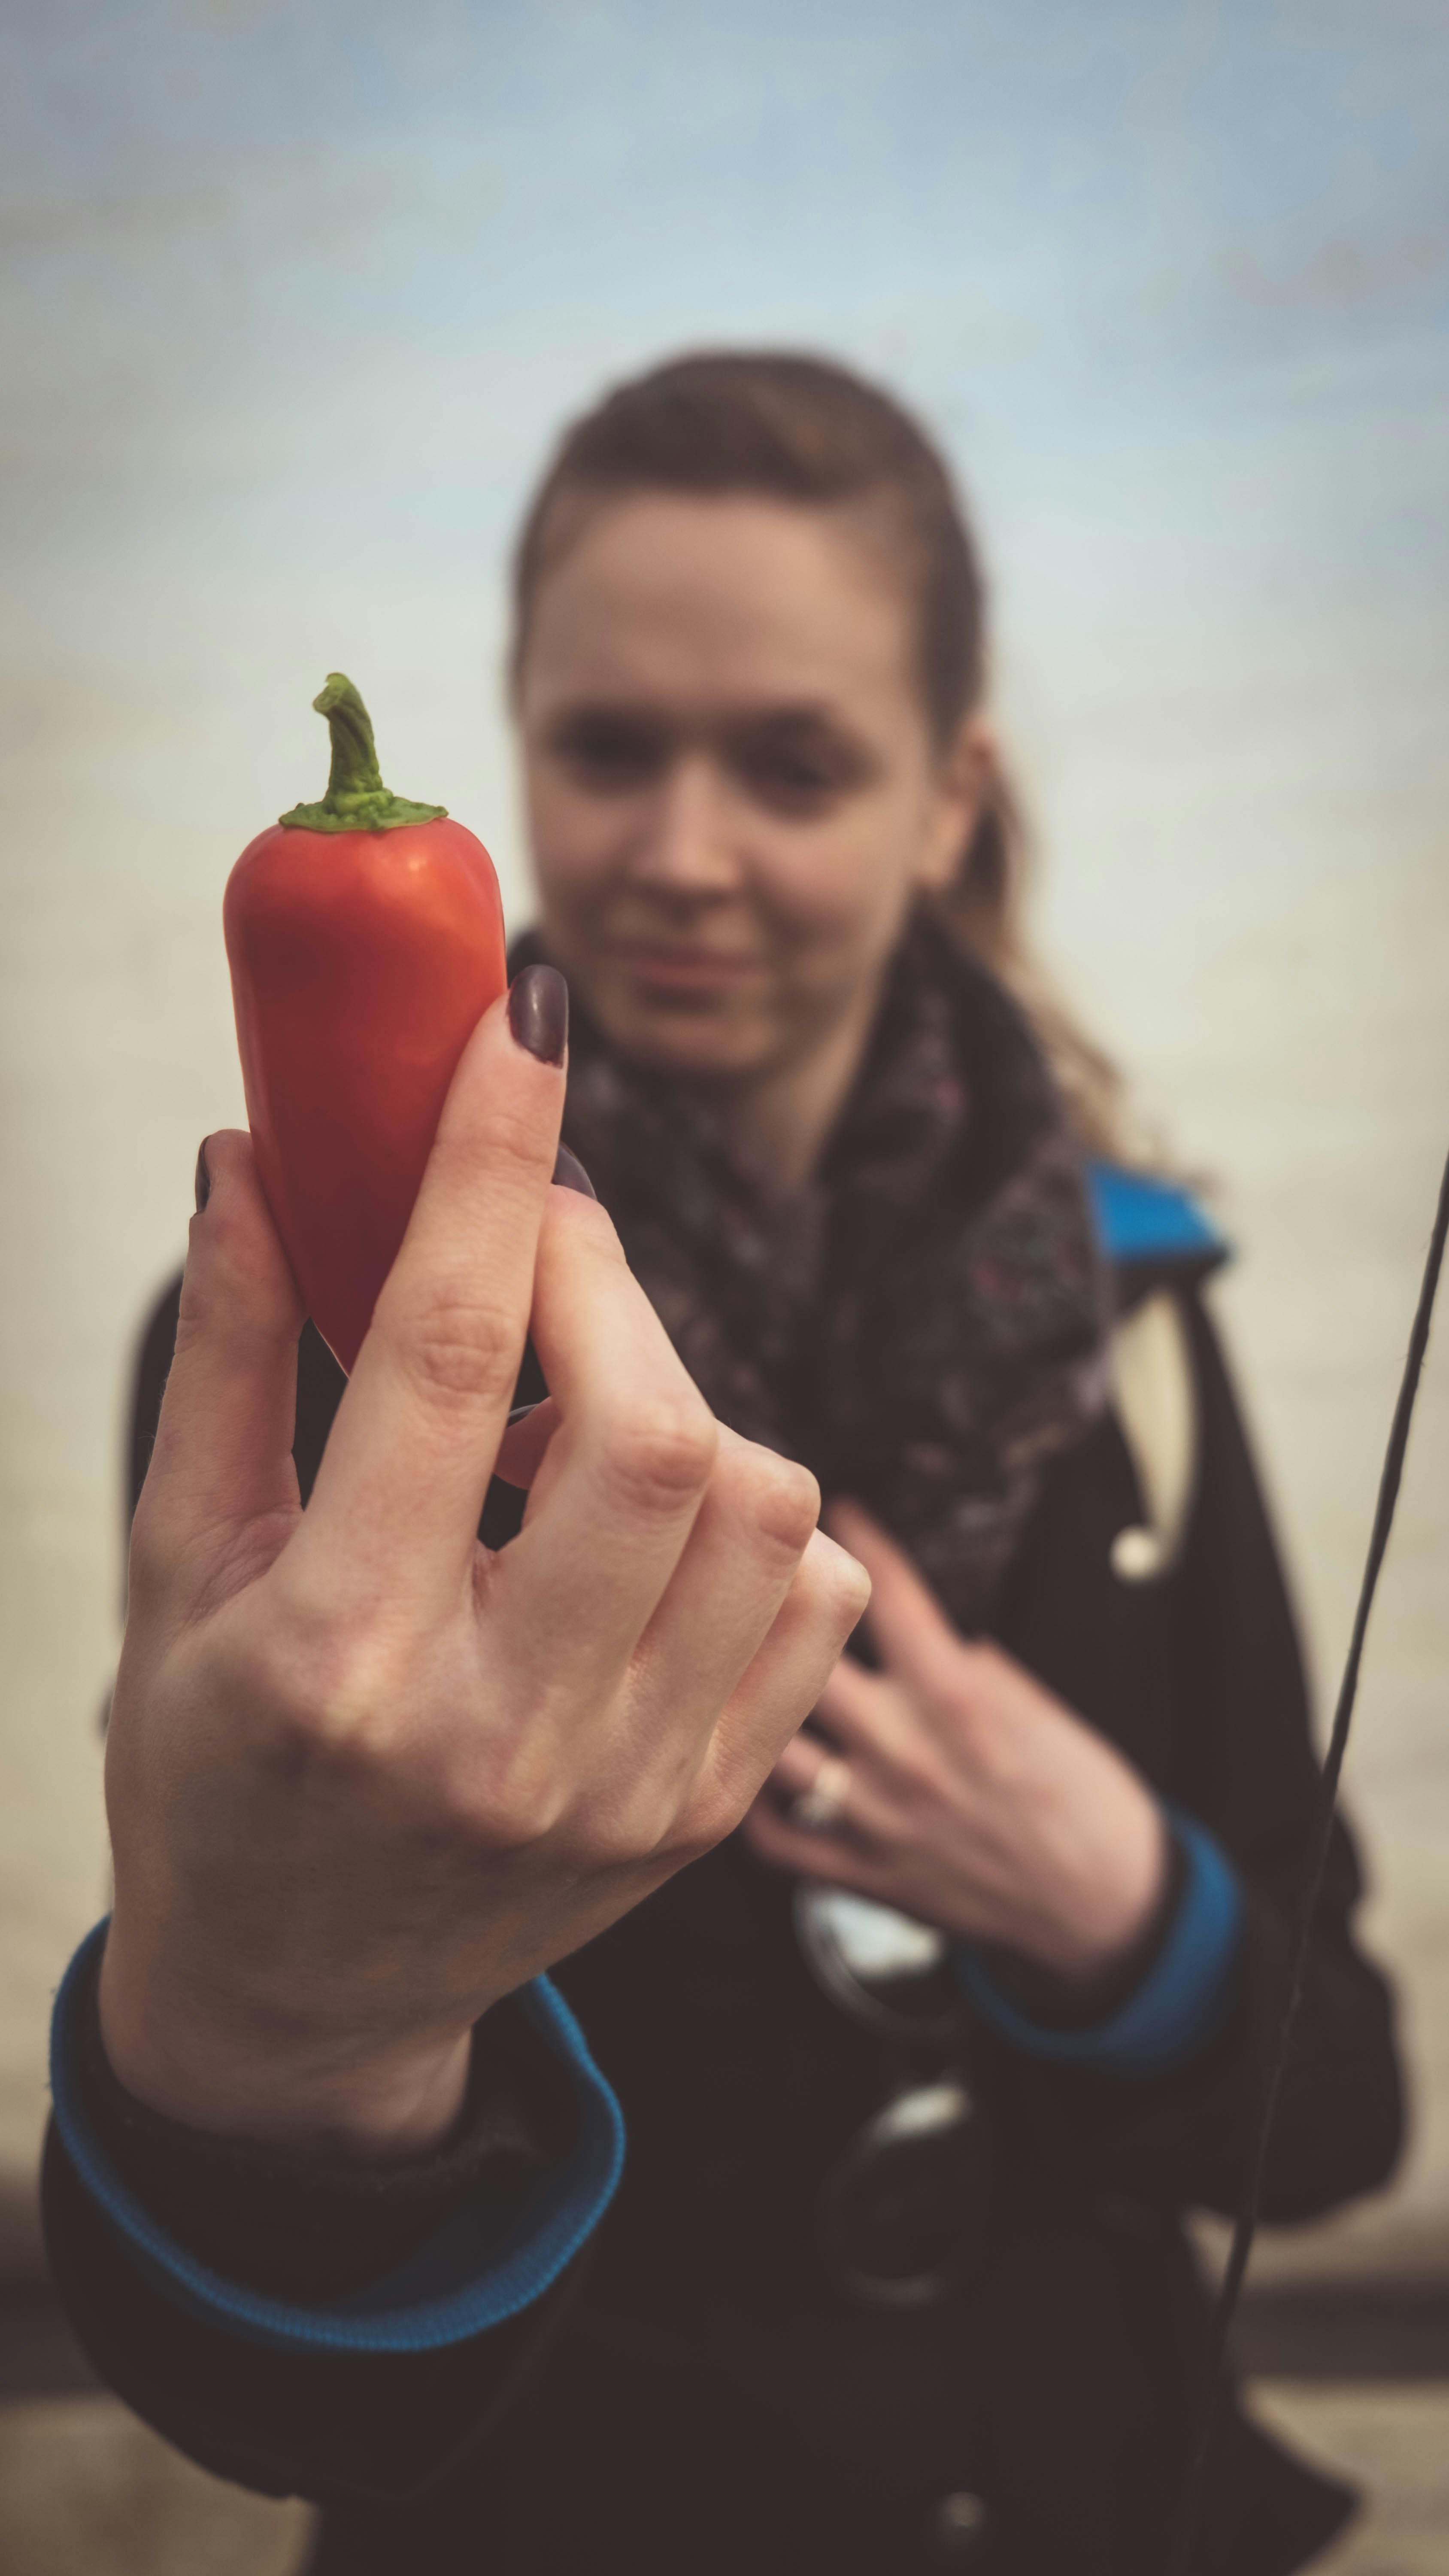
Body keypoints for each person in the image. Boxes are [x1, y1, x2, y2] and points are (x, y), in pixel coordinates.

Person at [45, 354, 1401, 2576]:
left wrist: (1130, 1912)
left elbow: (1344, 2112)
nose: (681, 853)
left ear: (949, 797)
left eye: (791, 763)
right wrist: (285, 2036)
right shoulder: (301, 1372)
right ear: (520, 746)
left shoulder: (1125, 1330)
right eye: (607, 749)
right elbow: (264, 2400)